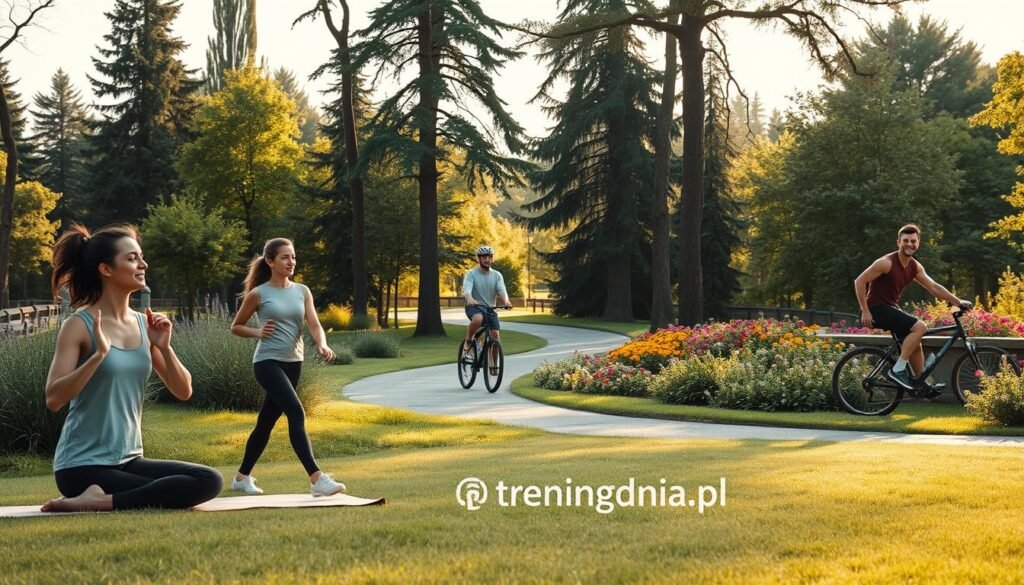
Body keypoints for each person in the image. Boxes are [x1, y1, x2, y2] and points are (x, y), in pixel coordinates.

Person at [41, 224, 223, 512]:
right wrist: (99, 355)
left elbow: (183, 391)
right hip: (82, 466)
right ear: (106, 269)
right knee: (184, 488)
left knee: (208, 479)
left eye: (141, 257)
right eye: (132, 258)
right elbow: (54, 398)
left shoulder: (143, 324)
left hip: (128, 458)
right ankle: (94, 499)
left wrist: (164, 347)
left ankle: (99, 501)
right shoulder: (78, 325)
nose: (143, 264)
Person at [229, 237, 345, 497]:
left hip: (294, 363)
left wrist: (321, 344)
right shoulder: (259, 293)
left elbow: (314, 323)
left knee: (265, 423)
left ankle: (241, 477)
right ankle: (317, 479)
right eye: (285, 257)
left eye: (293, 257)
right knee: (296, 411)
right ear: (270, 261)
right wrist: (258, 332)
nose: (291, 262)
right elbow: (236, 327)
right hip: (267, 362)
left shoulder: (302, 290)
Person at [854, 224, 971, 396]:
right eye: (906, 241)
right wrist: (865, 310)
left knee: (915, 343)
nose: (910, 244)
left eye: (913, 241)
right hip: (876, 309)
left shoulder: (914, 266)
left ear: (918, 243)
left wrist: (957, 301)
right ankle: (898, 369)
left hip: (890, 308)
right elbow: (859, 281)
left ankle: (921, 385)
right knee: (920, 327)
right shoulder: (886, 263)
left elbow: (933, 286)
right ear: (898, 242)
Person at [462, 245, 512, 375]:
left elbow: (501, 290)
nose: (487, 260)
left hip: (490, 309)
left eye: (489, 257)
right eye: (484, 257)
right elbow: (467, 290)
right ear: (478, 259)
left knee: (495, 335)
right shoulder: (471, 274)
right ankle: (468, 341)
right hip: (474, 307)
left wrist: (506, 301)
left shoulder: (497, 275)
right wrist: (470, 299)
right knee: (478, 319)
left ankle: (493, 366)